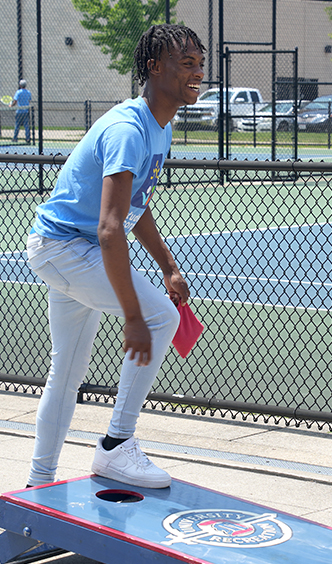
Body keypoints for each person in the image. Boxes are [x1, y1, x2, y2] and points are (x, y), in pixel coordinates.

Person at [25, 24, 206, 489]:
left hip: (64, 248)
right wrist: (133, 316)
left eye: (200, 64)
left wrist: (168, 265)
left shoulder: (158, 127)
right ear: (154, 67)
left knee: (64, 373)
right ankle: (115, 445)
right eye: (187, 63)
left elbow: (135, 209)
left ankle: (38, 483)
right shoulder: (129, 128)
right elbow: (110, 229)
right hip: (67, 247)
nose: (198, 73)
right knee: (159, 318)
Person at [10, 79, 31, 143]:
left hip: (19, 111)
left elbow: (15, 101)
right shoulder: (28, 92)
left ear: (20, 85)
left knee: (17, 125)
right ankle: (28, 138)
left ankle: (15, 138)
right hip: (26, 111)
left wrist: (11, 105)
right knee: (26, 125)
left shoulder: (18, 92)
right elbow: (29, 100)